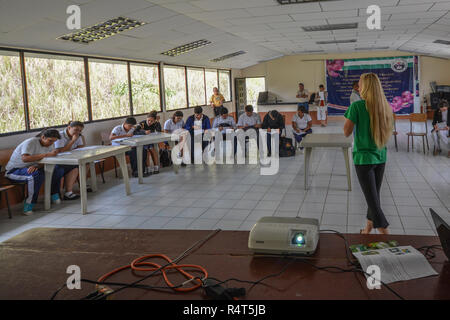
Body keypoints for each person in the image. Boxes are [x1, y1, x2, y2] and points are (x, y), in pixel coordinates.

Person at [343, 73, 393, 235]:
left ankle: (386, 235)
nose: (358, 86)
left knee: (372, 200)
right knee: (374, 196)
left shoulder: (356, 106)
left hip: (363, 159)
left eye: (360, 83)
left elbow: (346, 132)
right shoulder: (385, 106)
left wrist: (353, 117)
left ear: (365, 87)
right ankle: (367, 229)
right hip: (381, 157)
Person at [5, 129, 64, 215]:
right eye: (50, 140)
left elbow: (47, 160)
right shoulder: (30, 142)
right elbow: (25, 158)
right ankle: (29, 205)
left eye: (54, 141)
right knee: (35, 176)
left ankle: (54, 194)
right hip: (14, 171)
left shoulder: (50, 145)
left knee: (57, 169)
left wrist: (37, 165)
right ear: (43, 137)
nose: (51, 143)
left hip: (32, 167)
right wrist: (47, 155)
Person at [54, 121, 86, 200]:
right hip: (58, 161)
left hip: (70, 159)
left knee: (83, 164)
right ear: (69, 128)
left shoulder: (78, 135)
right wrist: (72, 141)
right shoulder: (60, 136)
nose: (77, 132)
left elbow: (81, 147)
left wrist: (79, 139)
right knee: (72, 167)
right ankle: (59, 193)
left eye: (80, 131)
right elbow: (60, 151)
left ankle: (69, 192)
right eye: (76, 130)